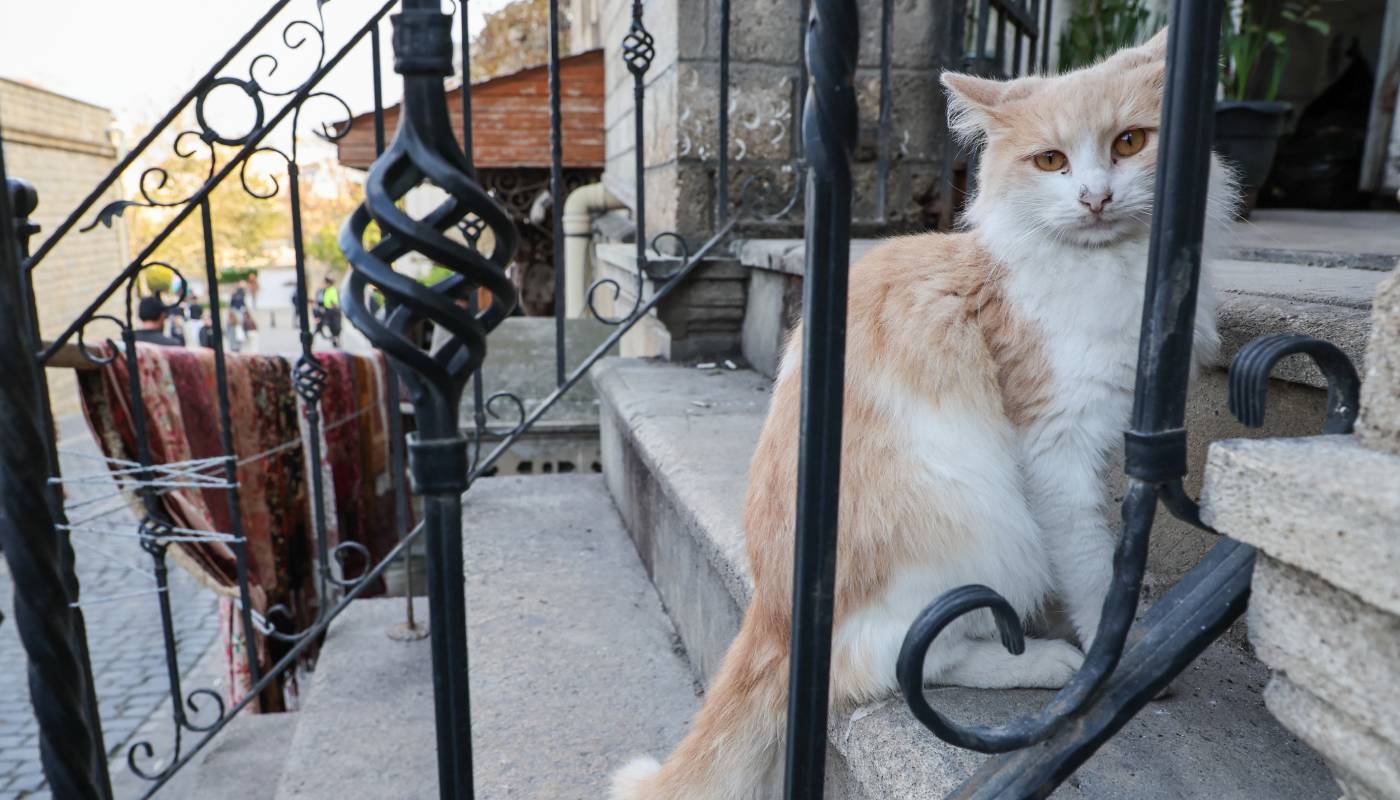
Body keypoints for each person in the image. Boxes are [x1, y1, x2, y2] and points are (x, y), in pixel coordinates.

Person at [315, 274, 342, 347]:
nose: (327, 284)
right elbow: (319, 301)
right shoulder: (322, 291)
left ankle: (335, 339)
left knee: (337, 327)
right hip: (327, 310)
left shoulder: (334, 290)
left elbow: (338, 300)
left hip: (335, 310)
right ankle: (333, 339)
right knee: (327, 326)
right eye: (326, 282)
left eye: (329, 282)